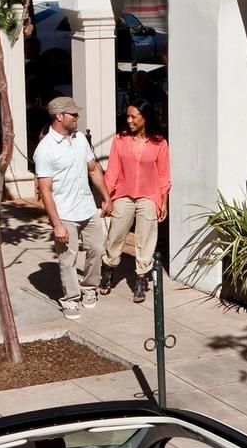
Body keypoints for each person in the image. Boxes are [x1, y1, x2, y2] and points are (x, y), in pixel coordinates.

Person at [32, 96, 109, 319]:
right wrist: (56, 224)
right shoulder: (45, 149)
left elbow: (93, 170)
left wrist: (106, 197)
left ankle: (89, 288)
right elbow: (45, 190)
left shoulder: (80, 139)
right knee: (68, 258)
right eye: (73, 114)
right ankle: (71, 299)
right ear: (59, 116)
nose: (77, 117)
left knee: (97, 248)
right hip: (65, 213)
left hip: (87, 207)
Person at [102, 101, 171, 303]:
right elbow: (112, 170)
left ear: (145, 117)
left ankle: (141, 277)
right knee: (116, 234)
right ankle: (108, 268)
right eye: (128, 116)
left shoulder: (160, 143)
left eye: (134, 116)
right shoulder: (120, 140)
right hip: (123, 194)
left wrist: (164, 201)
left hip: (149, 196)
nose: (129, 120)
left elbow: (164, 175)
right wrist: (106, 198)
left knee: (146, 237)